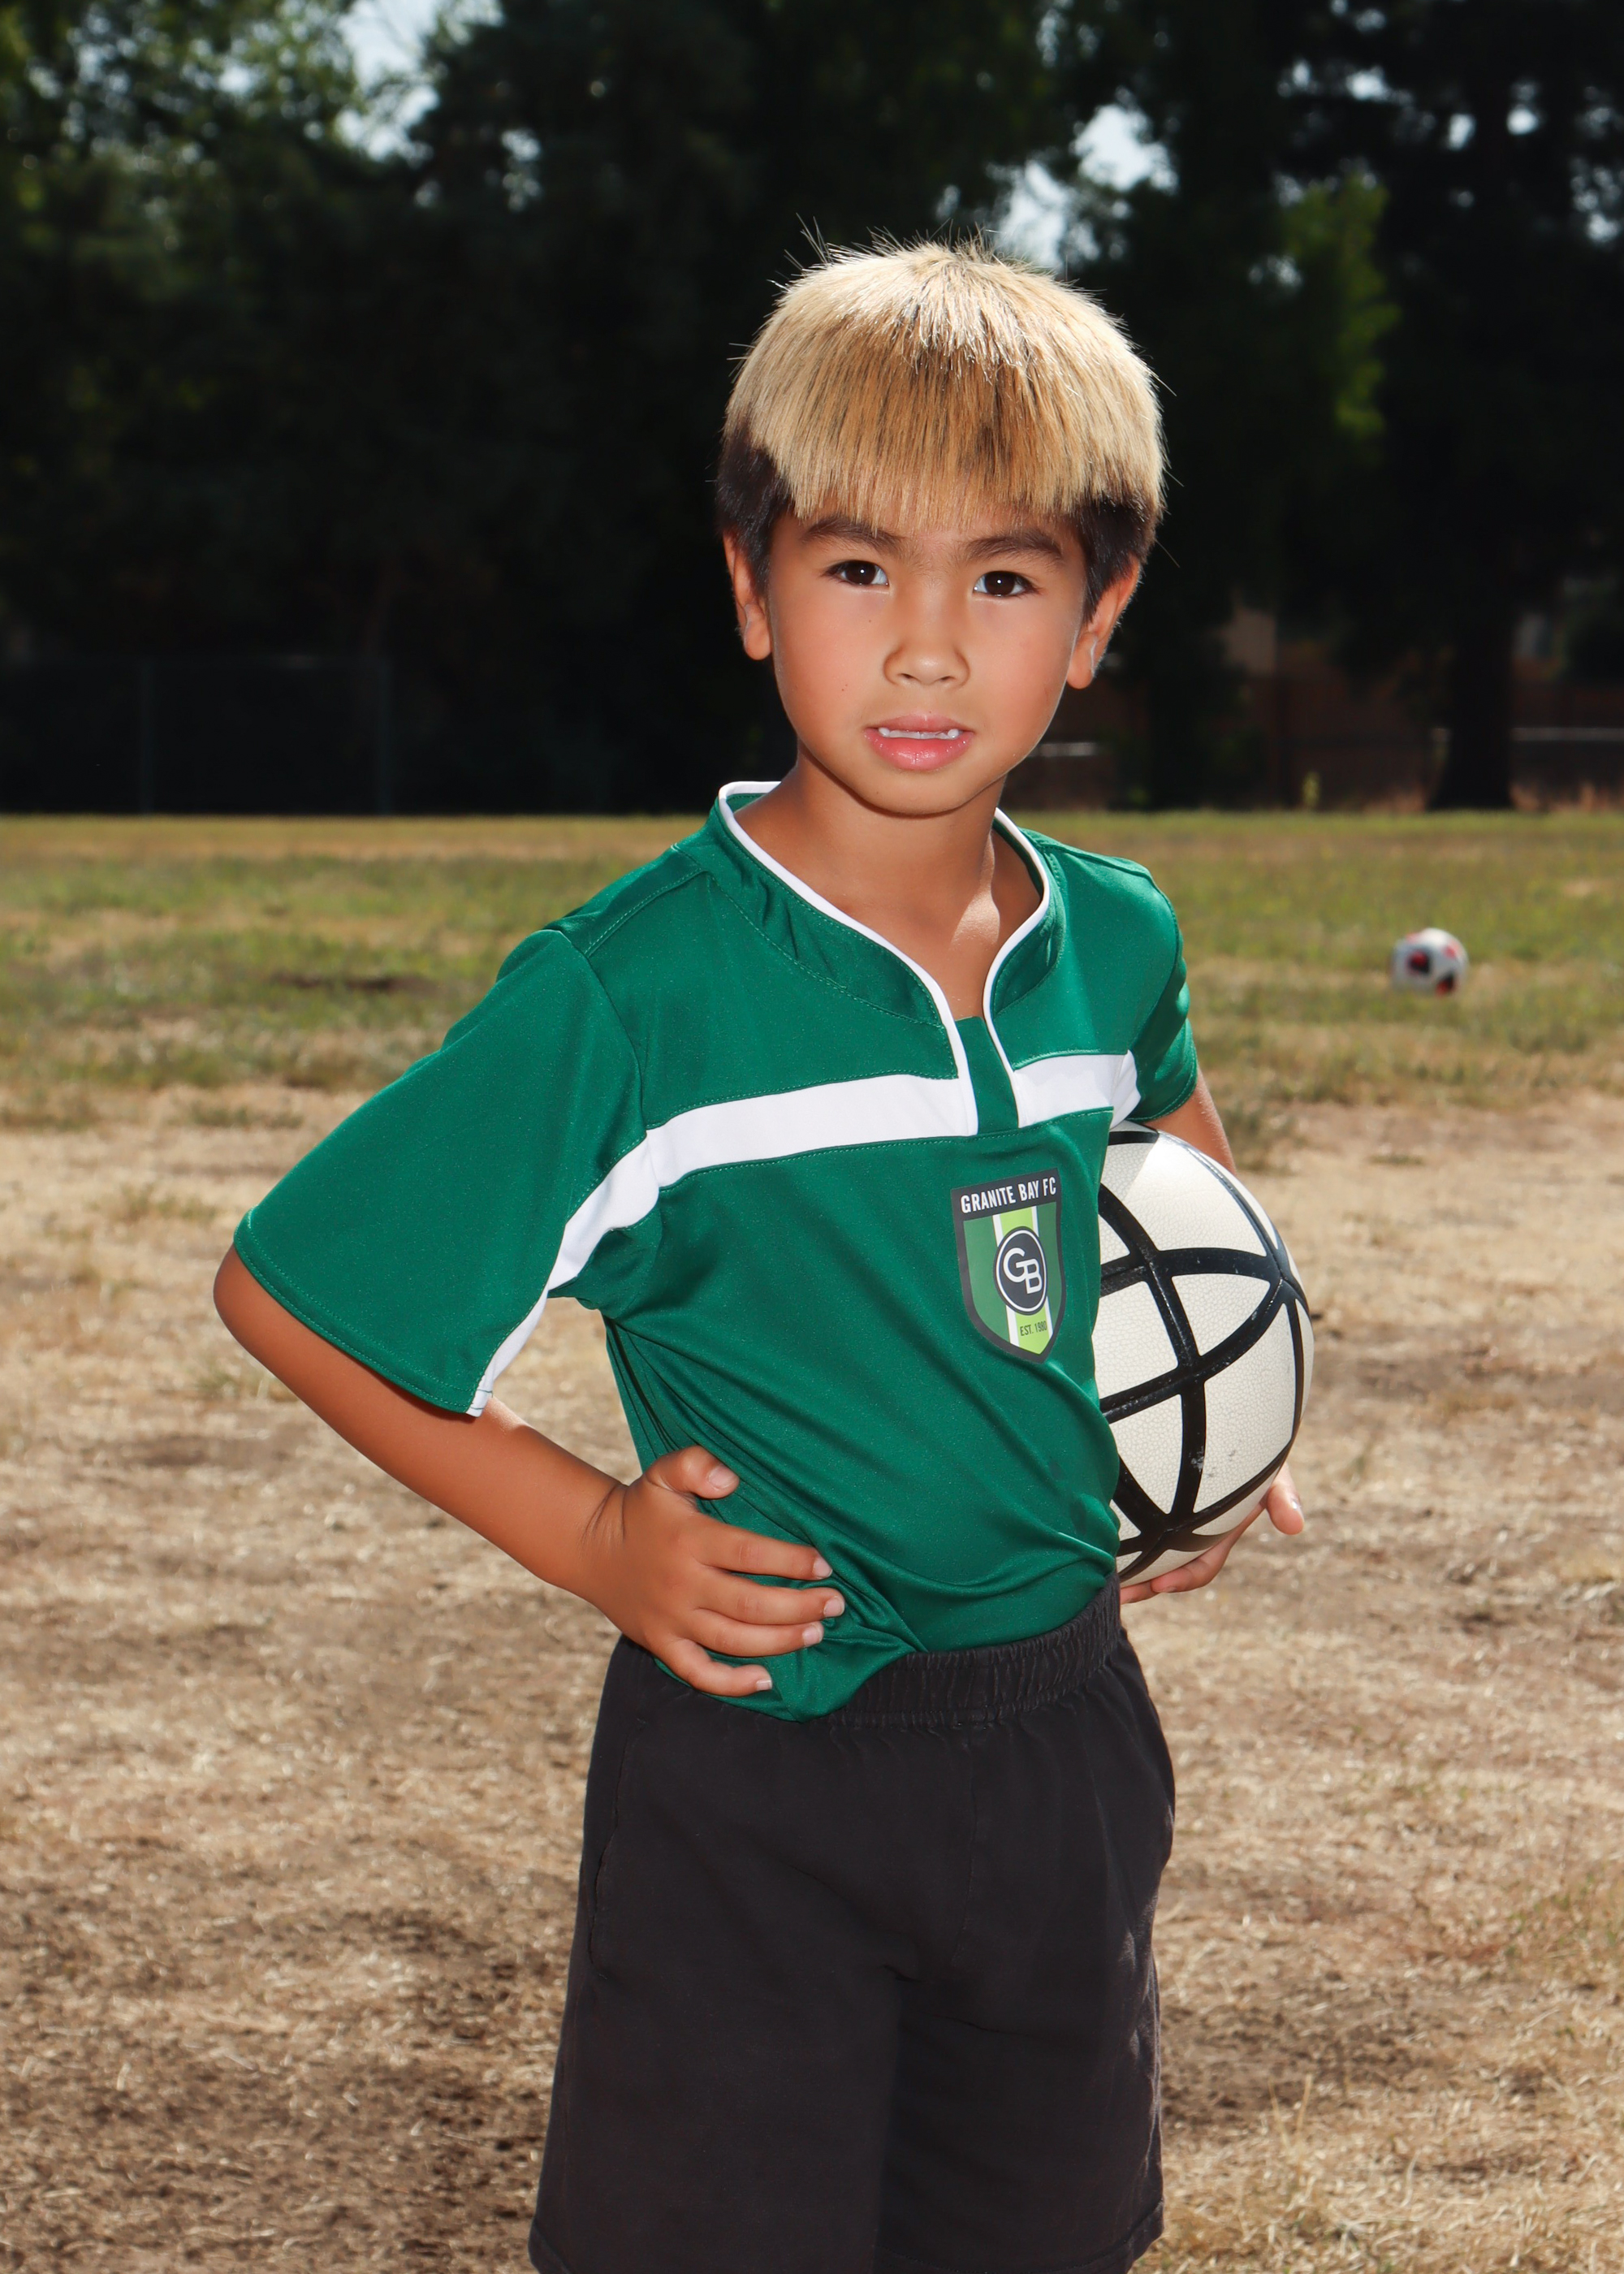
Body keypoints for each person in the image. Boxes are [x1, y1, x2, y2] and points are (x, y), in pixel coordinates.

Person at [215, 240, 1304, 2274]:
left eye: (1002, 579)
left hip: (1065, 1735)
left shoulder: (1116, 933)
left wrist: (1218, 1416)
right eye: (857, 566)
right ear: (749, 587)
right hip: (760, 1766)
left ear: (1098, 616)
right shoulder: (636, 995)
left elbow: (1165, 1162)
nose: (925, 648)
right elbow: (297, 1293)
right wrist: (592, 1538)